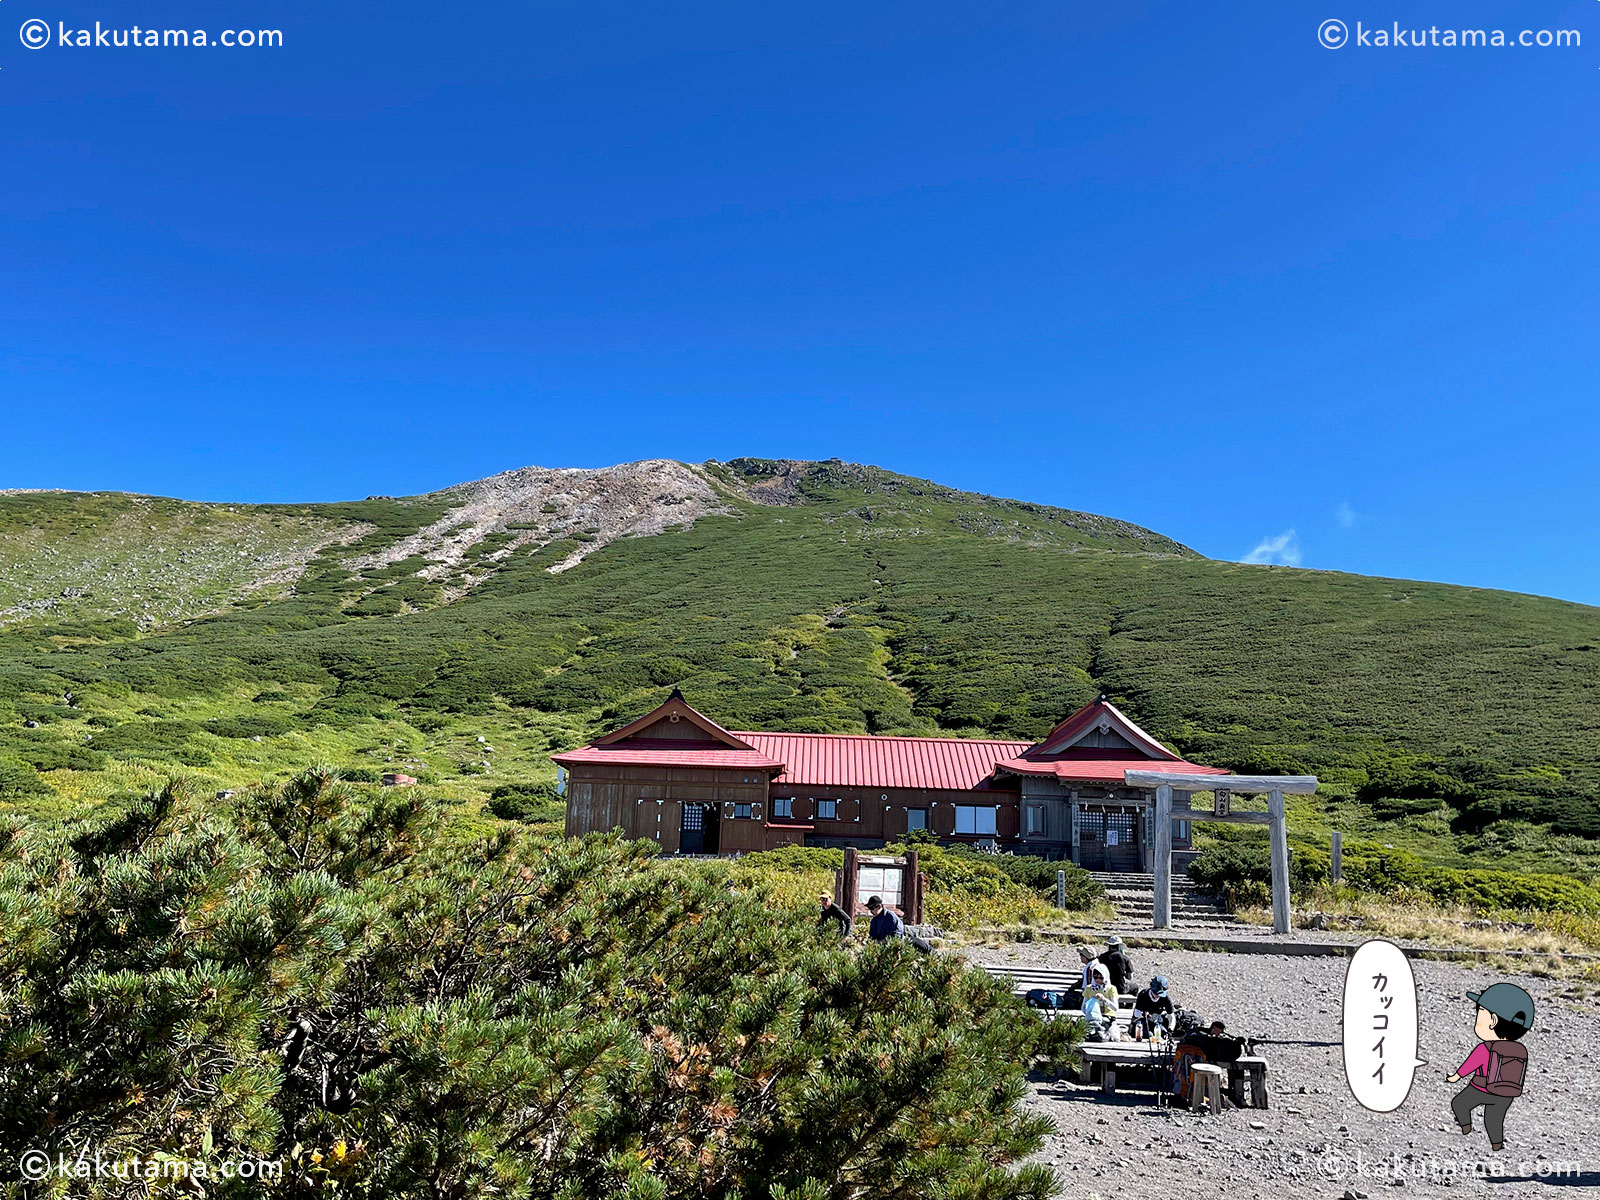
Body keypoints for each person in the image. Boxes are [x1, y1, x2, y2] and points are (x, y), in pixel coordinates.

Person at [1447, 982, 1534, 1152]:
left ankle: (1466, 1126)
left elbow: (1469, 1065)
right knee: (1494, 1119)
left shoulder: (1484, 1048)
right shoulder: (1520, 1049)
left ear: (1493, 1021)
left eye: (1480, 1014)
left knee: (1459, 1104)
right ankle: (1497, 1144)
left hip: (1481, 1088)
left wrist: (1456, 1076)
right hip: (1506, 1092)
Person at [864, 895, 933, 952]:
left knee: (919, 944)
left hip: (897, 946)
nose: (870, 911)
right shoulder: (874, 921)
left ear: (879, 906)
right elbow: (872, 937)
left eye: (871, 908)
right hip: (882, 948)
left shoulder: (891, 917)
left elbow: (897, 936)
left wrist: (881, 942)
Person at [1080, 963, 1120, 1042]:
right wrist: (1091, 1003)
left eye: (1101, 977)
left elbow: (1115, 1008)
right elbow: (1083, 1008)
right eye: (1095, 977)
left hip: (1107, 1016)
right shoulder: (1089, 988)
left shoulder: (1111, 989)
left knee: (1102, 1023)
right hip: (1092, 1016)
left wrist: (1104, 999)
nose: (1098, 980)